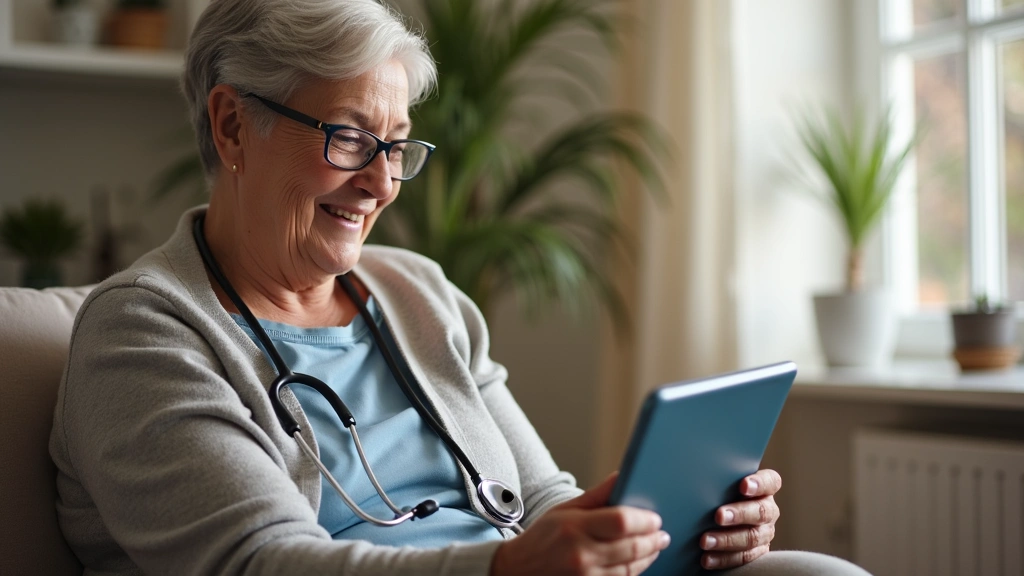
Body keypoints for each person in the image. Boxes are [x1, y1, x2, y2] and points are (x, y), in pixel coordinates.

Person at [49, 1, 870, 574]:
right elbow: (260, 562)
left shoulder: (418, 293)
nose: (382, 183)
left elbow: (540, 501)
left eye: (397, 146)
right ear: (233, 126)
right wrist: (506, 569)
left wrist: (657, 527)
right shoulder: (143, 334)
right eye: (349, 138)